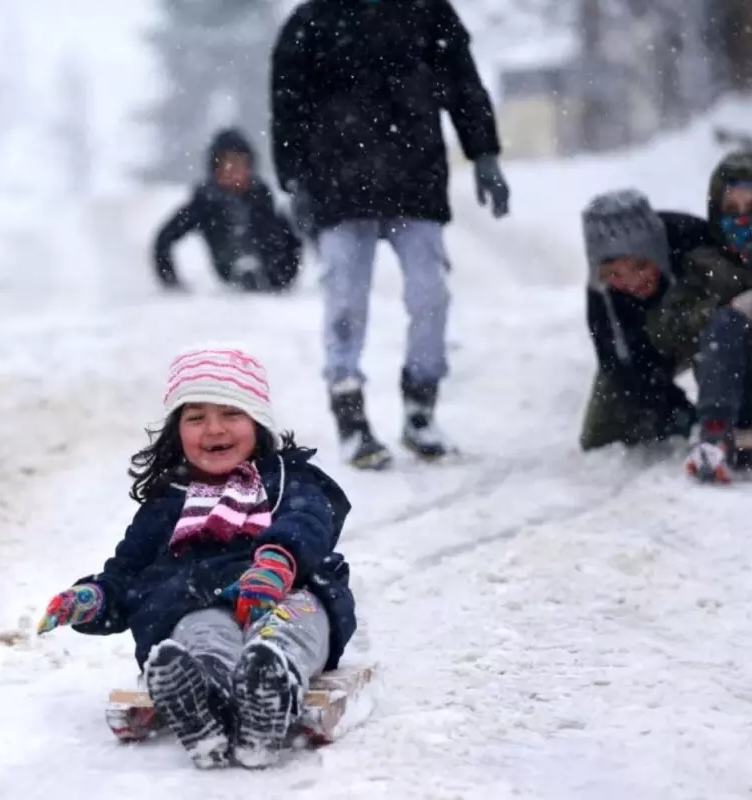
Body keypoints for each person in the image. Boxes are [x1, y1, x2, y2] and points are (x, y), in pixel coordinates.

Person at [35, 346, 356, 769]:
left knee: (289, 628)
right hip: (199, 602)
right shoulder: (167, 503)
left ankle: (270, 688)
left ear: (258, 422)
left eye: (231, 414)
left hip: (284, 593)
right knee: (201, 634)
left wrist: (277, 561)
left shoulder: (286, 481)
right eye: (196, 417)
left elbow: (309, 520)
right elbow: (128, 573)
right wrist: (93, 598)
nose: (213, 429)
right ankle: (201, 699)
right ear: (177, 431)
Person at [270, 0, 510, 469]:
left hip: (415, 177)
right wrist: (294, 178)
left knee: (430, 294)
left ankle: (421, 406)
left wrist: (484, 153)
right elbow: (287, 104)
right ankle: (350, 414)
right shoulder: (312, 21)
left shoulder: (427, 12)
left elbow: (463, 83)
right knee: (344, 301)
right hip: (336, 183)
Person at [645, 149, 752, 483]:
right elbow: (664, 331)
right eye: (732, 211)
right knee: (727, 324)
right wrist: (723, 313)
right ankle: (713, 442)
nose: (744, 220)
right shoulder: (703, 267)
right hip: (736, 401)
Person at [579, 189, 715, 451]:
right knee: (600, 437)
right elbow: (619, 364)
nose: (632, 283)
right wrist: (674, 410)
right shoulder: (602, 294)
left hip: (707, 329)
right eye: (614, 274)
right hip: (652, 345)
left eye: (641, 266)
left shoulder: (695, 241)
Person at [153, 129, 302, 293]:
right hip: (230, 270)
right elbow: (164, 239)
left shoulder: (261, 196)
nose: (234, 171)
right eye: (227, 164)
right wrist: (171, 282)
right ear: (215, 169)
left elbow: (290, 240)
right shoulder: (205, 202)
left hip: (274, 277)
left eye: (240, 163)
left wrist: (286, 275)